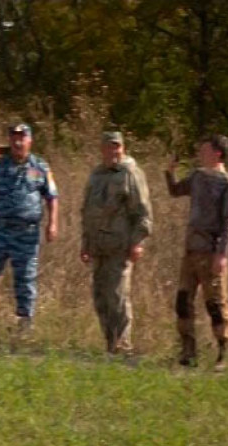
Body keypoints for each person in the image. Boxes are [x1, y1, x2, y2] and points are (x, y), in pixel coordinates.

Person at [0, 123, 58, 330]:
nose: (18, 142)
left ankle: (24, 324)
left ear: (30, 141)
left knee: (25, 278)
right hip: (0, 229)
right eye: (14, 137)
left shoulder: (40, 167)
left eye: (22, 138)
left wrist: (53, 223)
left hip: (27, 232)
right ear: (9, 140)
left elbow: (52, 196)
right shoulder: (0, 165)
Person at [166, 134, 228, 369]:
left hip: (210, 251)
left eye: (205, 150)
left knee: (215, 304)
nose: (201, 153)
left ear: (217, 153)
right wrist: (170, 172)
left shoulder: (227, 184)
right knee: (183, 301)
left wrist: (222, 254)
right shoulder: (197, 176)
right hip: (191, 250)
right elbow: (175, 191)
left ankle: (224, 352)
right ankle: (188, 350)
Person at [80, 131, 153, 354]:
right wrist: (85, 244)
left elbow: (142, 212)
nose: (114, 151)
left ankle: (123, 345)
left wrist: (137, 242)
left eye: (117, 147)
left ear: (123, 148)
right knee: (100, 297)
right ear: (102, 149)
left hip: (120, 247)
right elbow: (87, 212)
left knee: (118, 296)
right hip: (98, 247)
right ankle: (110, 344)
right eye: (109, 147)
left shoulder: (130, 173)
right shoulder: (96, 175)